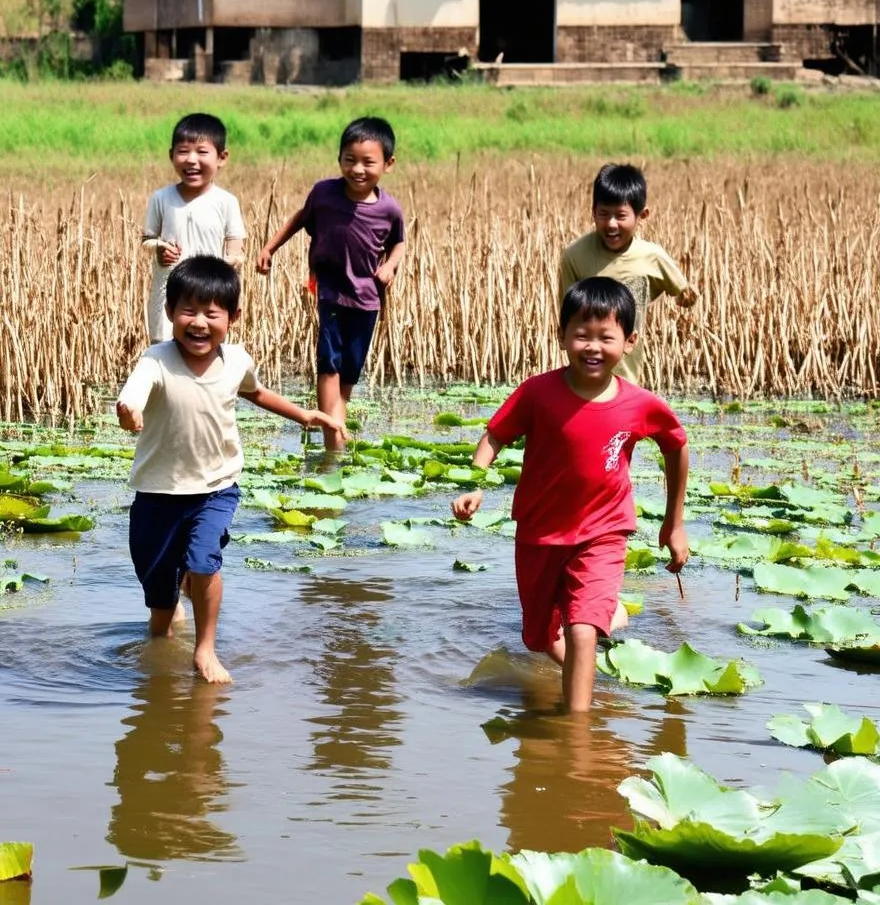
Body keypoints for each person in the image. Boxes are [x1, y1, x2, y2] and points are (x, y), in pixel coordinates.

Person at [451, 277, 690, 713]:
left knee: (581, 629)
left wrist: (674, 522)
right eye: (581, 334)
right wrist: (475, 484)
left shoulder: (640, 405)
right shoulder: (538, 392)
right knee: (539, 637)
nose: (593, 346)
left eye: (606, 337)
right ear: (562, 336)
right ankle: (607, 619)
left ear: (630, 342)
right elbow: (494, 436)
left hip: (604, 531)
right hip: (540, 533)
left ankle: (577, 732)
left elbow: (676, 445)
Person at [116, 255, 346, 684]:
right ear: (169, 314)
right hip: (158, 493)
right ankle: (164, 636)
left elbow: (255, 393)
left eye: (211, 313)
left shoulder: (236, 360)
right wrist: (128, 412)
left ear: (233, 317)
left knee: (205, 560)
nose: (199, 322)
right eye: (187, 310)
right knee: (159, 605)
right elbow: (132, 396)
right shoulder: (156, 360)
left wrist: (305, 415)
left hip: (216, 487)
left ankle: (205, 650)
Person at [255, 117, 406, 452]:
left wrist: (390, 267)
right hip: (330, 294)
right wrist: (269, 248)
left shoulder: (388, 209)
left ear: (388, 164)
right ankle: (333, 446)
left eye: (368, 162)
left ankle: (334, 430)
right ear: (339, 158)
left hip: (367, 301)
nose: (357, 169)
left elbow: (399, 243)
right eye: (349, 160)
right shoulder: (324, 194)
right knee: (329, 365)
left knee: (348, 375)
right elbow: (299, 219)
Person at [559, 163, 697, 384]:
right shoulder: (575, 256)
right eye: (604, 214)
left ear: (642, 215)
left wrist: (673, 305)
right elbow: (567, 317)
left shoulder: (652, 257)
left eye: (621, 215)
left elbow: (686, 295)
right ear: (593, 212)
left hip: (630, 374)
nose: (612, 224)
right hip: (585, 375)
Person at [142, 113, 246, 344]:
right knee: (164, 345)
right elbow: (147, 238)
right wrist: (159, 248)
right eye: (183, 151)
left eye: (201, 152)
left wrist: (225, 265)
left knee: (205, 347)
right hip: (169, 291)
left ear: (222, 157)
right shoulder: (161, 198)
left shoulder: (226, 202)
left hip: (211, 293)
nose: (191, 160)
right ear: (171, 156)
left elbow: (236, 252)